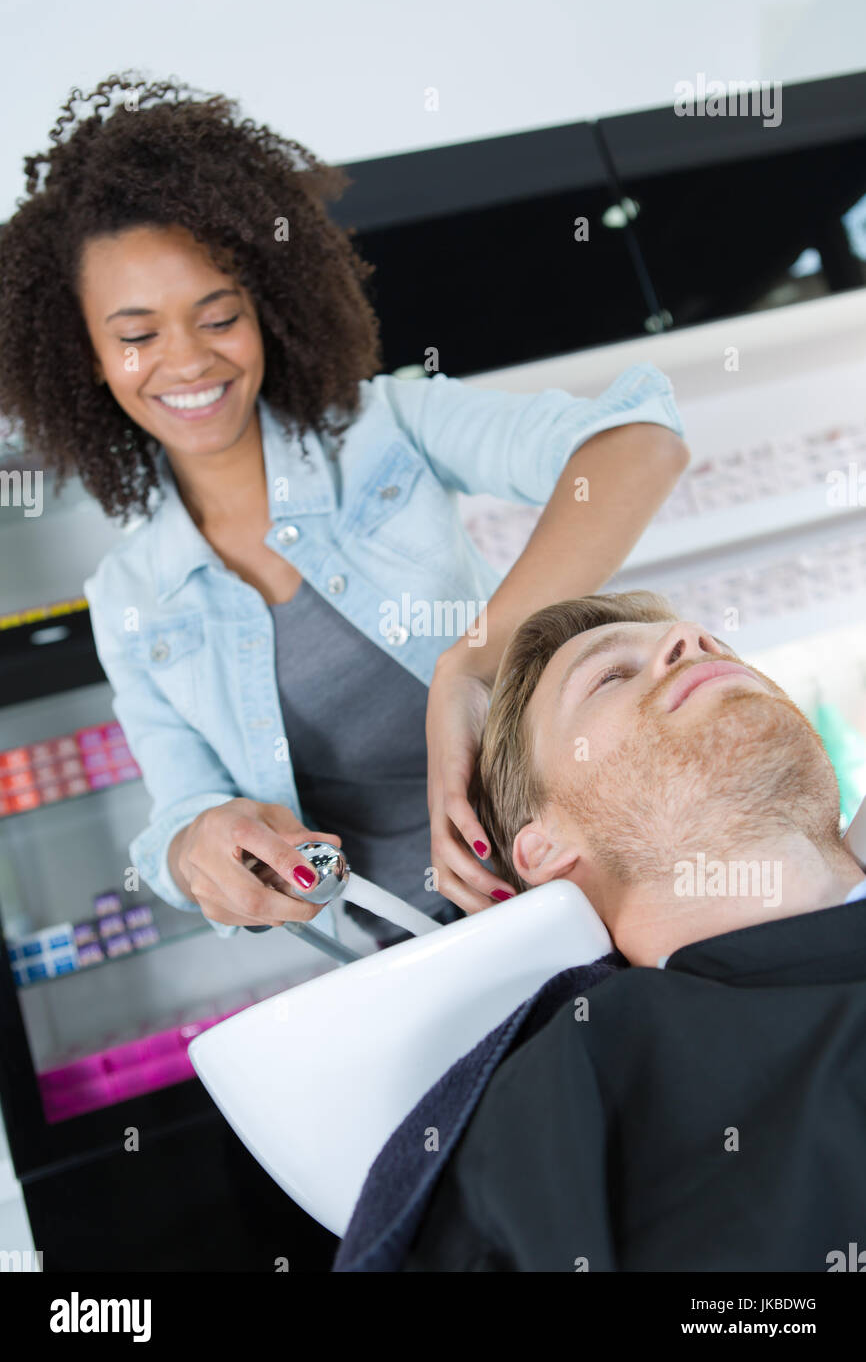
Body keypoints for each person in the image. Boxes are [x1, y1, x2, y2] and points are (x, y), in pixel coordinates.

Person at [0, 74, 688, 948]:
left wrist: (471, 665)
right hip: (408, 950)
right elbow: (180, 806)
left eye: (218, 317)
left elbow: (638, 443)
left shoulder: (382, 428)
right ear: (87, 357)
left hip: (600, 869)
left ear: (266, 311)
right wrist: (197, 847)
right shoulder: (132, 596)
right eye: (137, 336)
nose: (187, 361)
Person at [390, 591, 866, 1270]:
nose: (694, 641)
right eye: (610, 675)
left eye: (714, 646)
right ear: (542, 850)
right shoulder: (568, 1099)